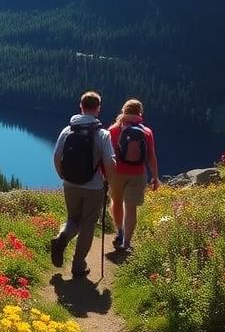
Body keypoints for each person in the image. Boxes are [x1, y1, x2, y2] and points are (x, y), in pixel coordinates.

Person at [51, 90, 115, 277]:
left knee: (73, 219)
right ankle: (78, 265)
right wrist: (109, 182)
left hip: (70, 184)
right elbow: (110, 163)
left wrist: (63, 175)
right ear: (98, 109)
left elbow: (56, 156)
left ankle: (62, 237)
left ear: (81, 107)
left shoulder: (68, 129)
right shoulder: (102, 134)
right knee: (87, 224)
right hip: (93, 186)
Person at [107, 98, 160, 256]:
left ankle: (120, 231)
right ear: (140, 113)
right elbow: (151, 156)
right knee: (131, 208)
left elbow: (108, 155)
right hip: (138, 174)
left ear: (124, 111)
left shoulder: (113, 130)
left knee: (116, 202)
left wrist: (104, 173)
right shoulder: (146, 132)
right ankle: (127, 243)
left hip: (117, 173)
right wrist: (155, 177)